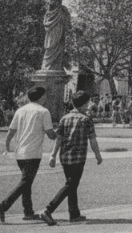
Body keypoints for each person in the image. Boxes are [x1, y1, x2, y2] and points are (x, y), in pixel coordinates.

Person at [38, 92, 102, 226]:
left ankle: (74, 214)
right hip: (78, 157)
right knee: (70, 185)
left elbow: (59, 139)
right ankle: (48, 210)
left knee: (72, 184)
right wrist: (97, 155)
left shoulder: (64, 118)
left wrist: (53, 155)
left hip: (65, 156)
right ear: (84, 104)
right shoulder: (86, 119)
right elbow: (92, 140)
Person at [0, 86, 56, 223]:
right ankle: (3, 206)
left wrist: (7, 146)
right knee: (26, 182)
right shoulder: (43, 111)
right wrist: (60, 135)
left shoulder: (20, 110)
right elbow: (50, 134)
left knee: (27, 182)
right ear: (41, 97)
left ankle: (28, 211)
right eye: (45, 96)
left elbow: (11, 130)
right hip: (33, 152)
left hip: (20, 152)